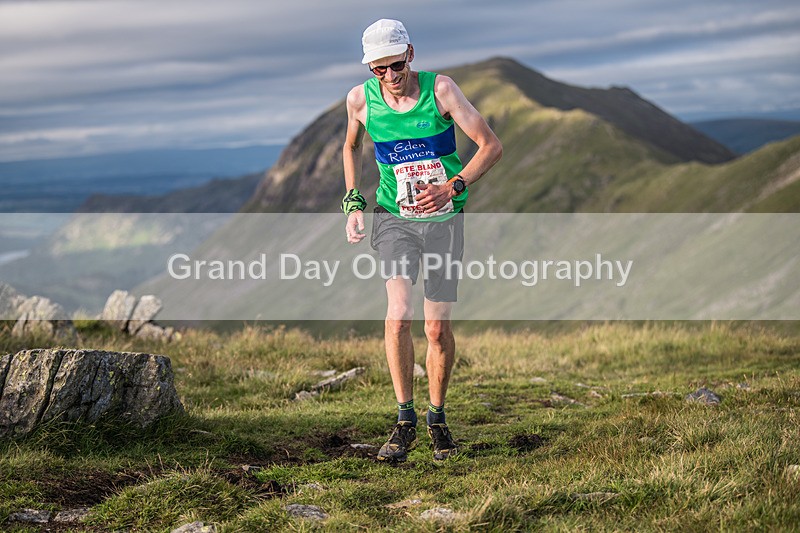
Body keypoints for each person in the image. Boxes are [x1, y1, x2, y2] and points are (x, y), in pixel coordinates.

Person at [341, 19, 502, 462]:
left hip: (444, 219)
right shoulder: (360, 99)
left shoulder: (442, 90)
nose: (390, 77)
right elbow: (351, 146)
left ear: (410, 54)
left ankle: (437, 419)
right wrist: (354, 199)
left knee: (436, 327)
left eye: (396, 65)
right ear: (370, 68)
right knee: (398, 315)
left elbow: (490, 145)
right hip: (393, 217)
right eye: (379, 69)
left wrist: (454, 184)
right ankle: (404, 421)